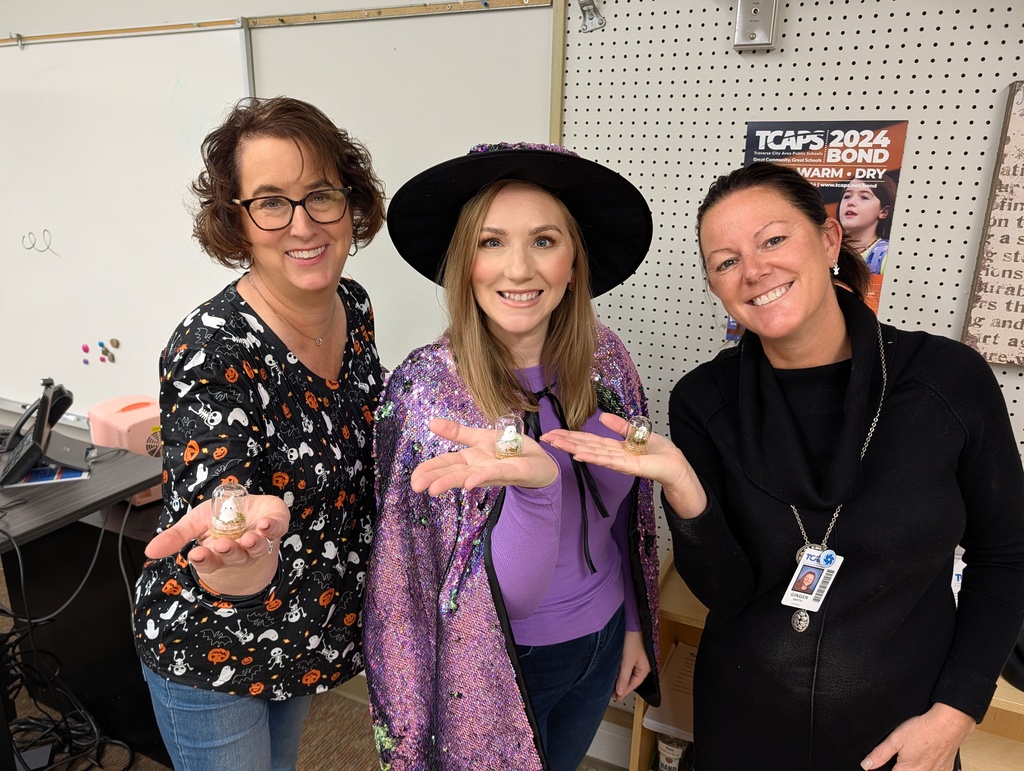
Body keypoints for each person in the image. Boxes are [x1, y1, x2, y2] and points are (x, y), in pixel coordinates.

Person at [543, 161, 1024, 770]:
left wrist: (956, 713)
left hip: (902, 736)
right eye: (725, 261)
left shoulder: (947, 381)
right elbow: (727, 591)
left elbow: (1007, 553)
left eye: (773, 239)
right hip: (744, 727)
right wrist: (684, 488)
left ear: (827, 240)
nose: (754, 271)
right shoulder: (703, 401)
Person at [364, 142, 662, 770]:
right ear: (462, 264)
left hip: (604, 640)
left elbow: (626, 515)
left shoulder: (606, 361)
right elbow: (413, 589)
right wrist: (537, 490)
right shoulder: (426, 392)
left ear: (575, 263)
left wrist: (632, 622)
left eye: (545, 241)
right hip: (504, 668)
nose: (520, 269)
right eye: (492, 242)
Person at [133, 96, 386, 771]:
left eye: (320, 195)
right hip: (213, 641)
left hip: (300, 631)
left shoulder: (353, 307)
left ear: (350, 202)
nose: (302, 224)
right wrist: (241, 544)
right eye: (271, 201)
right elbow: (222, 489)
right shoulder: (209, 347)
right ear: (236, 222)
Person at [837, 174, 897, 275]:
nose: (851, 202)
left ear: (884, 212)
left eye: (864, 197)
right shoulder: (824, 248)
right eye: (847, 196)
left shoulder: (887, 256)